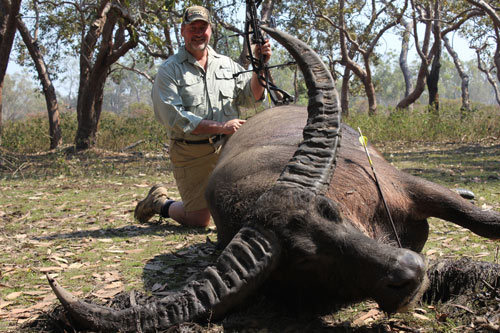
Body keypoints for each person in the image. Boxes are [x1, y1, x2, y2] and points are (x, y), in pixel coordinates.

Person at [134, 6, 272, 228]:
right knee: (200, 221)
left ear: (211, 30)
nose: (198, 33)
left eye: (203, 27)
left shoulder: (227, 65)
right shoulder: (169, 70)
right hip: (191, 151)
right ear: (182, 31)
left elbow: (252, 96)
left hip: (228, 149)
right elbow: (175, 119)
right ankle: (159, 202)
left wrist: (261, 65)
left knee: (243, 209)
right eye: (192, 28)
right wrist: (221, 127)